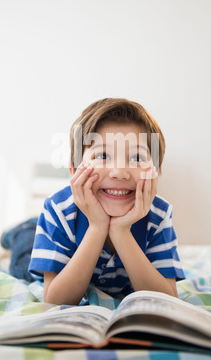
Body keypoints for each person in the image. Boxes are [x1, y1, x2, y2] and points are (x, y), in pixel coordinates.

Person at [29, 98, 185, 305]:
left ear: (156, 173)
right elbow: (55, 301)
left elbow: (166, 300)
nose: (119, 172)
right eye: (102, 155)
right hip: (42, 235)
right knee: (22, 254)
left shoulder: (159, 214)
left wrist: (121, 231)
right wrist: (97, 227)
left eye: (137, 158)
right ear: (74, 169)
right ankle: (20, 231)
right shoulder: (57, 209)